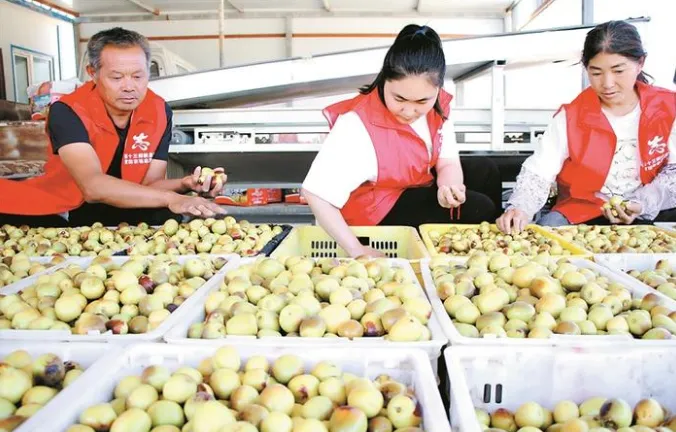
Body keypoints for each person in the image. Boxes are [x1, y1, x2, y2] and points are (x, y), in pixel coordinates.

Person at [301, 24, 502, 257]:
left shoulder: (438, 108)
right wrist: (356, 249)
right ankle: (467, 259)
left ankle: (490, 249)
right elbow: (316, 194)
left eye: (421, 101)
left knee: (486, 171)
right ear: (385, 80)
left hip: (409, 184)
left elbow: (447, 162)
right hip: (373, 209)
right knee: (480, 208)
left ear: (438, 89)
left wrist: (448, 186)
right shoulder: (357, 125)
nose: (408, 111)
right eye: (399, 98)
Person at [0, 27, 226, 227]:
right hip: (61, 207)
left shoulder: (158, 111)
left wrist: (184, 184)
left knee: (165, 217)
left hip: (118, 202)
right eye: (117, 77)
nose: (129, 87)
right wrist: (172, 199)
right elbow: (93, 187)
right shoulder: (69, 111)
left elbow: (150, 185)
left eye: (138, 76)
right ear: (93, 73)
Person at [497, 20, 676, 233]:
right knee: (547, 232)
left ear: (640, 63)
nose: (608, 83)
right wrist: (520, 207)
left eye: (618, 71)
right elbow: (539, 172)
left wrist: (644, 202)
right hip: (581, 212)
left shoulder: (668, 108)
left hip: (648, 210)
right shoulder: (570, 117)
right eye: (596, 73)